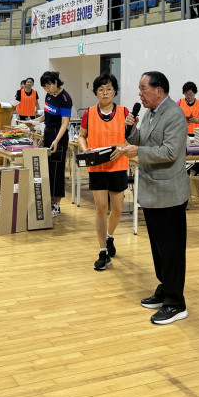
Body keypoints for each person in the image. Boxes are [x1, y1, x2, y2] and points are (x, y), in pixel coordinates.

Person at [112, 71, 190, 325]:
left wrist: (138, 150)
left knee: (172, 249)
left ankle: (176, 303)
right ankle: (165, 288)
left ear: (158, 89)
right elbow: (143, 141)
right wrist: (132, 131)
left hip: (169, 193)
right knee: (158, 248)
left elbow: (170, 152)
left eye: (143, 88)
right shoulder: (150, 113)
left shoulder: (174, 114)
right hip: (151, 190)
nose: (140, 93)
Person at [77, 73, 129, 271]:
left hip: (118, 165)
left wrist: (122, 148)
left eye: (109, 89)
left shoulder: (124, 112)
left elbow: (132, 138)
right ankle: (102, 252)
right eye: (101, 90)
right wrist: (85, 149)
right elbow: (82, 136)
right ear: (96, 93)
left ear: (115, 91)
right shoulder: (89, 113)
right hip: (97, 166)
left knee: (117, 210)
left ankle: (109, 237)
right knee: (100, 209)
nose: (105, 93)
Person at [28, 71, 72, 217]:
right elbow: (46, 115)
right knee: (47, 168)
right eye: (44, 88)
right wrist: (34, 121)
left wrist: (56, 140)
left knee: (57, 170)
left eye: (48, 86)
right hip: (48, 134)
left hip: (58, 136)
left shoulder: (65, 98)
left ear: (55, 82)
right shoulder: (49, 96)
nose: (47, 89)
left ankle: (56, 205)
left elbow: (65, 123)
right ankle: (48, 201)